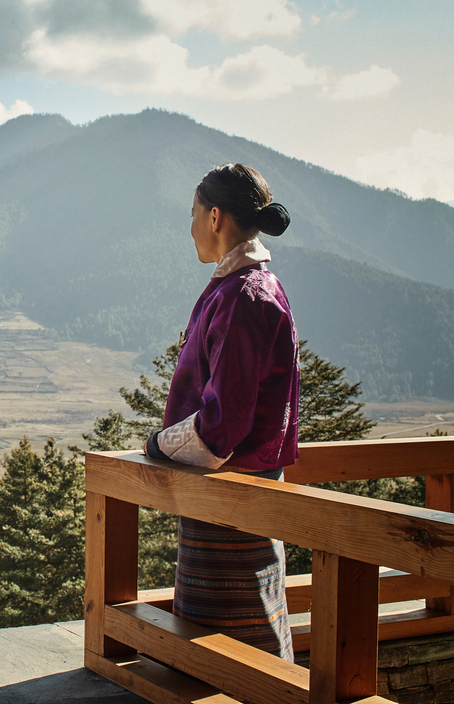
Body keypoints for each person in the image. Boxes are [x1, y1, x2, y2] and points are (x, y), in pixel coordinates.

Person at [144, 162, 298, 661]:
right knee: (236, 631)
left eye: (192, 214)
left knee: (235, 642)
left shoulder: (243, 297)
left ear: (214, 218)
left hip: (232, 497)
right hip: (242, 492)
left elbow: (221, 429)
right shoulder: (251, 288)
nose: (189, 227)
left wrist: (157, 445)